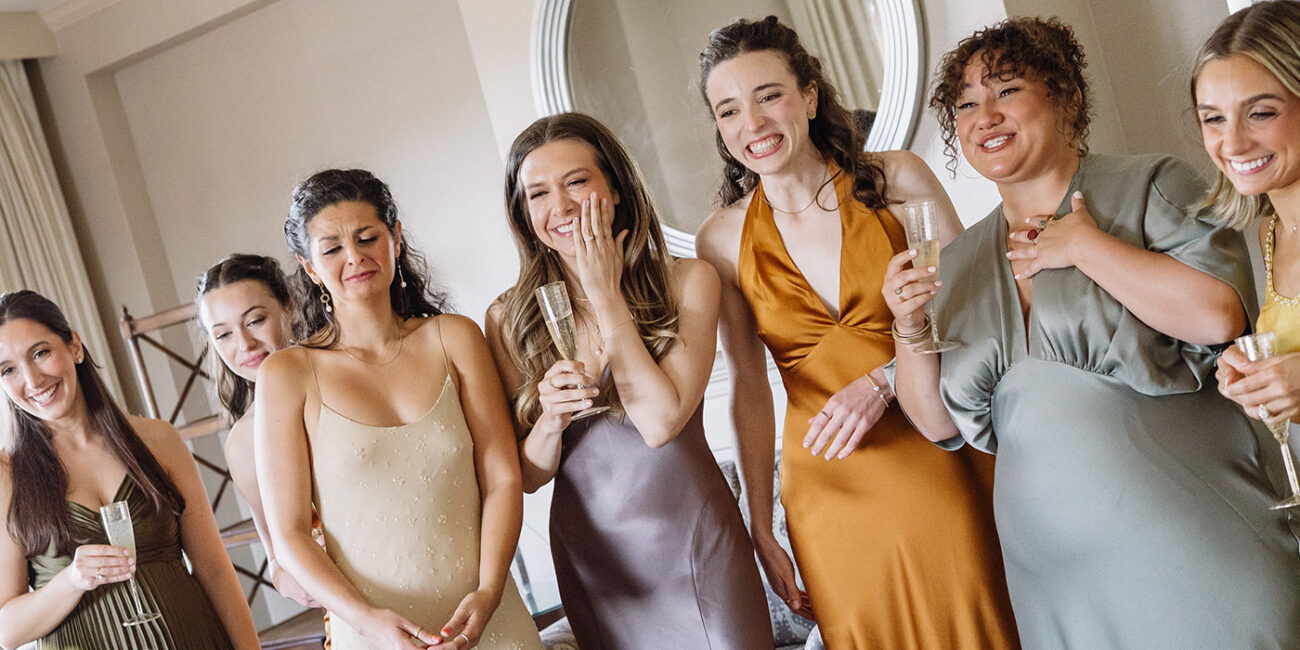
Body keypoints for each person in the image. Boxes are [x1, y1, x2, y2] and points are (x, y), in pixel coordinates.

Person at [887, 16, 1300, 647]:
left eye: (1006, 91)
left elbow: (1220, 316)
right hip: (1053, 577)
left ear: (1066, 96)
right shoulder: (960, 258)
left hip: (1187, 538)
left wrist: (1086, 249)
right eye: (966, 104)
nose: (985, 116)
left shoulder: (1150, 185)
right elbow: (940, 424)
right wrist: (909, 326)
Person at [694, 16, 1018, 649]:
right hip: (826, 488)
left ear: (809, 96)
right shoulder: (722, 239)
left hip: (938, 451)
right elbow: (750, 392)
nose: (753, 125)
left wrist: (885, 378)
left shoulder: (897, 180)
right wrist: (762, 523)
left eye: (769, 96)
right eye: (729, 110)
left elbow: (977, 316)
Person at [485, 112, 772, 649]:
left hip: (696, 544)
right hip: (597, 563)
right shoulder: (509, 317)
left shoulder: (689, 281)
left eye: (576, 181)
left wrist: (605, 293)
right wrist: (550, 419)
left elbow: (661, 422)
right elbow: (525, 475)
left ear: (614, 188)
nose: (562, 206)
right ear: (524, 215)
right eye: (538, 194)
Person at [255, 169, 541, 649]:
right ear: (309, 268)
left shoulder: (454, 337)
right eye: (331, 249)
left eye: (368, 237)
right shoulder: (287, 375)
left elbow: (503, 477)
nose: (354, 257)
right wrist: (365, 620)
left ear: (395, 237)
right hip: (373, 635)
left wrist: (490, 592)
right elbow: (289, 534)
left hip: (487, 619)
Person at [0, 289, 259, 648]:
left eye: (40, 353)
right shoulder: (7, 475)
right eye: (8, 370)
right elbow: (5, 629)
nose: (32, 380)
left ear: (75, 346)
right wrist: (71, 580)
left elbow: (214, 570)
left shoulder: (159, 440)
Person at [197, 254, 330, 627]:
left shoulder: (347, 374)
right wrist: (297, 579)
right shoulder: (243, 442)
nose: (245, 344)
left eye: (256, 320)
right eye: (223, 334)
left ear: (289, 308)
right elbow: (277, 559)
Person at [1199, 2, 1300, 459]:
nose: (1233, 143)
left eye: (1260, 113)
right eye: (1214, 118)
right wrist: (1246, 375)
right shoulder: (1272, 231)